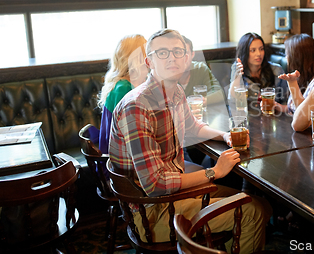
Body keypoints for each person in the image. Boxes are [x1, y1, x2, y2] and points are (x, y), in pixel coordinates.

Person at [108, 29, 271, 253]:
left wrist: (223, 135)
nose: (172, 58)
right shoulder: (138, 106)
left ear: (187, 58)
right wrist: (214, 171)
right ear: (149, 62)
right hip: (155, 212)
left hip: (173, 192)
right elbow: (155, 185)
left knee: (260, 203)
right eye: (162, 53)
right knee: (254, 212)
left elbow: (192, 127)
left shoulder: (175, 92)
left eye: (178, 51)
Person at [98, 34, 148, 154]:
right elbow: (131, 134)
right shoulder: (124, 88)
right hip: (120, 163)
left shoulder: (127, 83)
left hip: (126, 155)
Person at [229, 32, 287, 105]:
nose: (259, 54)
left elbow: (287, 102)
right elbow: (232, 102)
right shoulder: (237, 68)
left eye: (261, 49)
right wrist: (237, 77)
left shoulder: (276, 70)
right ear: (245, 53)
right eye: (253, 50)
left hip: (273, 114)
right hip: (248, 115)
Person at [277, 34, 314, 114]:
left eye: (288, 54)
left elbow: (303, 114)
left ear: (298, 57)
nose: (286, 57)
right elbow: (294, 106)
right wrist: (279, 107)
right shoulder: (304, 74)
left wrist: (292, 83)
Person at [178, 35, 224, 105]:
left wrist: (203, 100)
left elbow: (219, 93)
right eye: (178, 53)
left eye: (186, 53)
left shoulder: (200, 68)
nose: (183, 58)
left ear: (192, 54)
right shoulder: (165, 73)